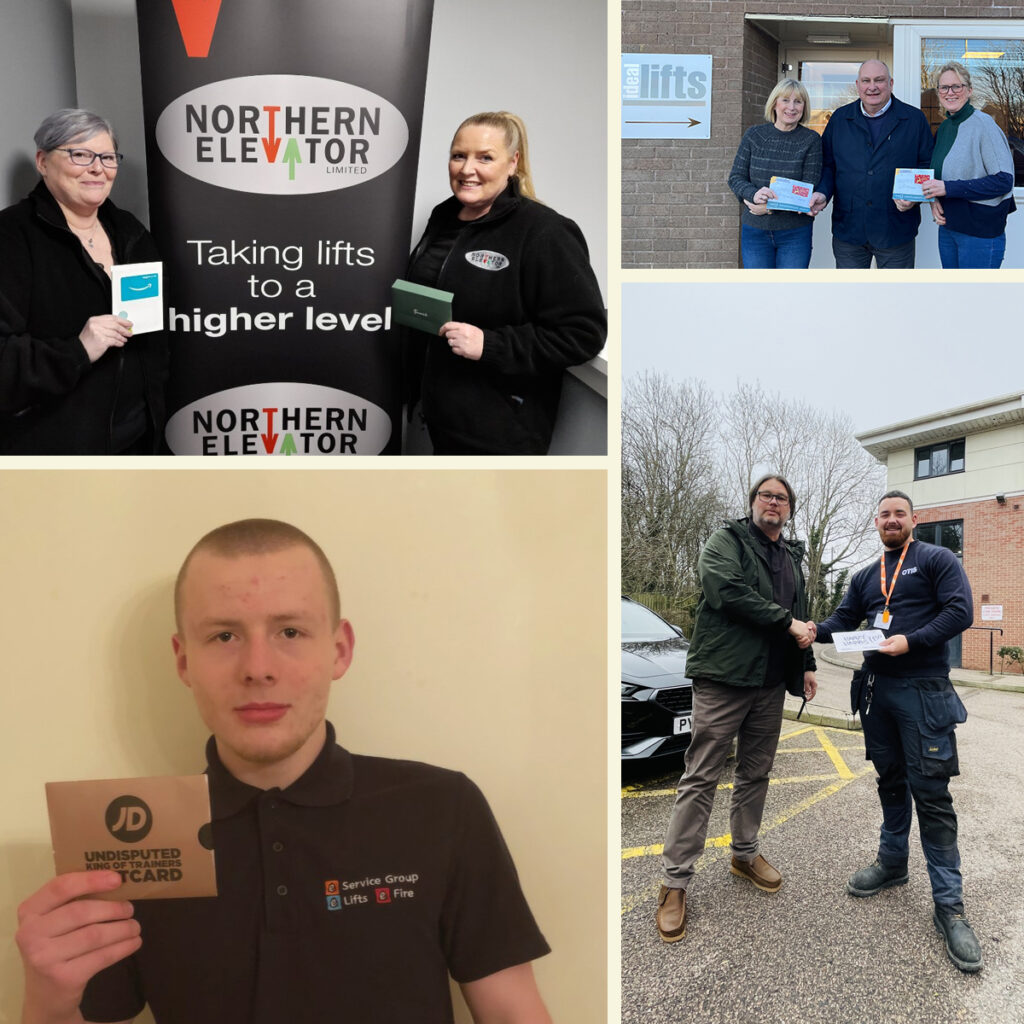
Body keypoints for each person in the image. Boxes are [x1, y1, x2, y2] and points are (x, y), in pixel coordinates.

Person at [15, 519, 552, 1023]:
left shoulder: (441, 807)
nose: (257, 668)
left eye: (290, 632)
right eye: (224, 636)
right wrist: (46, 998)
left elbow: (513, 1012)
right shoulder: (130, 843)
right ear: (183, 661)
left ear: (339, 650)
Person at [807, 491, 980, 972]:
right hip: (877, 692)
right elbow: (844, 622)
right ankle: (893, 863)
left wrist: (913, 640)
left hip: (924, 690)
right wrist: (810, 629)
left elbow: (960, 611)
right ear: (876, 522)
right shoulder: (866, 576)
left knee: (931, 792)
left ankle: (950, 906)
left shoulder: (936, 559)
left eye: (899, 513)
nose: (891, 520)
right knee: (889, 781)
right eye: (884, 514)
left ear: (914, 520)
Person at [656, 475, 818, 943]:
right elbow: (725, 590)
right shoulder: (725, 540)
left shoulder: (791, 557)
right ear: (753, 503)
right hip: (725, 679)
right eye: (766, 495)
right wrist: (787, 621)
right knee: (701, 774)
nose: (774, 502)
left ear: (789, 510)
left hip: (769, 685)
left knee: (756, 772)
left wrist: (806, 663)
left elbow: (799, 611)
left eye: (782, 498)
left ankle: (744, 854)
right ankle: (674, 882)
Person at [403, 111, 606, 455]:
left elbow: (582, 333)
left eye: (485, 157)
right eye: (458, 155)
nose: (467, 169)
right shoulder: (443, 217)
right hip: (441, 420)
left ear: (513, 163)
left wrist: (491, 344)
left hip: (501, 436)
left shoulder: (545, 232)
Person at [0, 109, 167, 454]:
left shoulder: (130, 232)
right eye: (79, 154)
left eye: (107, 157)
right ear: (43, 161)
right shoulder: (12, 236)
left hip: (138, 441)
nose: (97, 168)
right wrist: (77, 350)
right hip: (56, 453)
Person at [811, 61, 934, 268]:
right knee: (851, 296)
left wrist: (914, 197)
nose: (872, 87)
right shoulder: (840, 119)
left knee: (895, 296)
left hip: (895, 228)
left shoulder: (914, 119)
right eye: (866, 81)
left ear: (891, 83)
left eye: (879, 80)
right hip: (849, 229)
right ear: (857, 84)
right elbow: (828, 165)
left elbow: (926, 164)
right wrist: (822, 192)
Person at [918, 62, 1016, 269]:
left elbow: (1004, 181)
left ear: (969, 90)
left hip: (979, 233)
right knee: (955, 297)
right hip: (949, 227)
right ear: (938, 92)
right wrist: (934, 198)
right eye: (944, 87)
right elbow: (939, 175)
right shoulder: (945, 128)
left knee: (977, 299)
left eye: (957, 86)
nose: (950, 92)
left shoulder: (984, 124)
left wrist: (947, 188)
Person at [728, 78, 822, 268]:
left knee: (790, 293)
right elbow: (736, 178)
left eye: (798, 101)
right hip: (755, 231)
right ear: (775, 103)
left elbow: (807, 188)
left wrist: (769, 208)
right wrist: (753, 194)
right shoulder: (754, 135)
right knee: (759, 293)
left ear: (804, 107)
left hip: (794, 233)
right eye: (785, 100)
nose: (792, 107)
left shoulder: (811, 140)